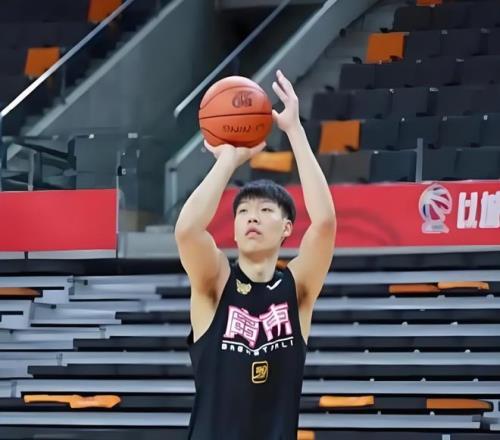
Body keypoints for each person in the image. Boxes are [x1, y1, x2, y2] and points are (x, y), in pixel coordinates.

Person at [175, 70, 336, 440]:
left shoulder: (298, 289)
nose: (252, 217)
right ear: (233, 230)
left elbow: (325, 223)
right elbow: (187, 231)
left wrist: (294, 130)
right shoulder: (216, 282)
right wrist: (226, 161)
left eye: (265, 211)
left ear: (286, 228)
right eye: (244, 212)